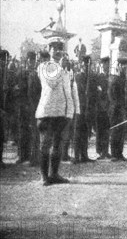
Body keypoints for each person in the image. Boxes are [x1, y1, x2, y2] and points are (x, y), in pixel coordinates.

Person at [35, 50, 73, 186]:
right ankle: (44, 177)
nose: (59, 55)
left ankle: (54, 174)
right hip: (46, 113)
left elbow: (68, 93)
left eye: (61, 51)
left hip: (60, 113)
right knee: (45, 144)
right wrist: (60, 68)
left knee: (57, 144)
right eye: (55, 50)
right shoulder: (43, 67)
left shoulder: (64, 71)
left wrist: (70, 112)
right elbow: (51, 83)